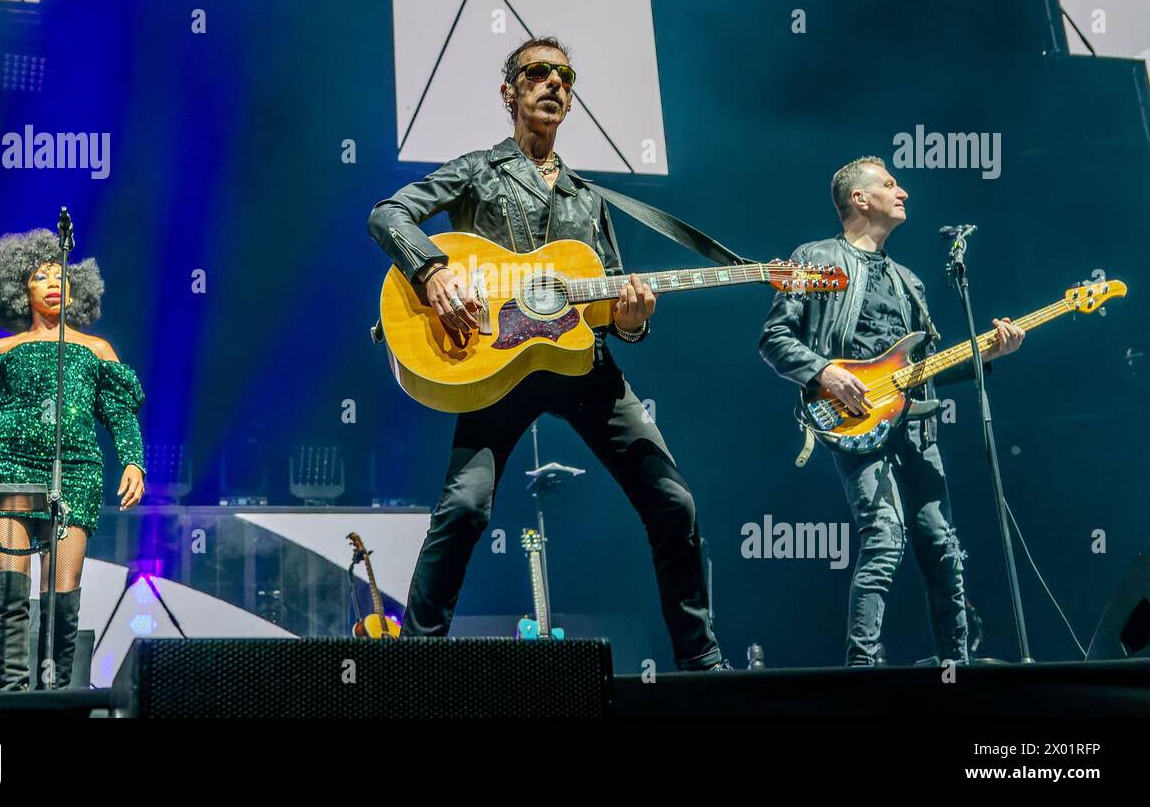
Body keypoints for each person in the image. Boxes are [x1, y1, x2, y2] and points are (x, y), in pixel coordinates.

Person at [368, 36, 727, 671]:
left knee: (674, 502)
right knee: (465, 508)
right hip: (498, 369)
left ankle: (702, 668)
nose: (555, 83)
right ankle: (411, 669)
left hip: (583, 370)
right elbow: (389, 214)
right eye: (538, 72)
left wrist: (633, 320)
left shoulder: (591, 199)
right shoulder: (479, 169)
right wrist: (432, 273)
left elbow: (613, 309)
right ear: (511, 92)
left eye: (566, 75)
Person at [759, 156, 1024, 665]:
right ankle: (862, 668)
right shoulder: (815, 257)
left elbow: (926, 366)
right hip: (855, 420)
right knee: (883, 538)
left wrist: (985, 354)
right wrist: (825, 373)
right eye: (890, 184)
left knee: (943, 547)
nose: (903, 192)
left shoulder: (909, 281)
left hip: (917, 426)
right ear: (860, 199)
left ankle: (956, 667)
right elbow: (773, 337)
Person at [0, 229, 146, 690]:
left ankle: (54, 697)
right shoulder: (0, 351)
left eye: (61, 275)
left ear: (75, 288)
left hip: (73, 473)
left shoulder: (96, 350)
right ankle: (11, 697)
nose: (54, 282)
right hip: (6, 466)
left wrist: (133, 460)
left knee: (60, 596)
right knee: (10, 594)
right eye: (40, 275)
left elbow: (120, 413)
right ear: (20, 289)